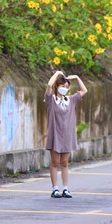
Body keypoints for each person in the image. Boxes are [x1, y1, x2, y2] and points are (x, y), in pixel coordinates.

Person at [45, 70, 87, 199]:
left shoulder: (71, 100)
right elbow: (48, 85)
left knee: (64, 163)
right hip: (55, 134)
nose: (65, 89)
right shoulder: (51, 99)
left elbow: (84, 91)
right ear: (57, 86)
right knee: (54, 162)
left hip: (67, 135)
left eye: (67, 87)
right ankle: (54, 189)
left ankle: (66, 188)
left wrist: (77, 76)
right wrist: (57, 73)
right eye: (62, 86)